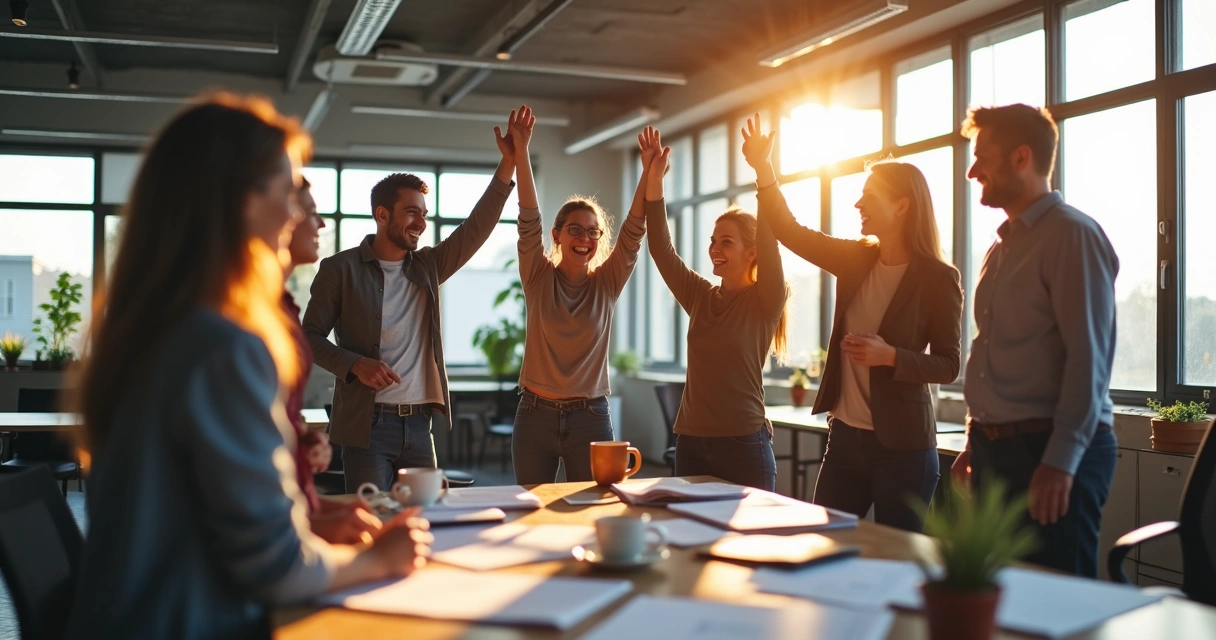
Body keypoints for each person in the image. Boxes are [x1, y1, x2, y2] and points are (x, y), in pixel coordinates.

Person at [68, 94, 431, 640]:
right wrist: (380, 559)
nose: (295, 213)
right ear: (240, 200)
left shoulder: (151, 329)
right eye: (286, 192)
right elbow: (278, 569)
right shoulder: (223, 346)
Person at [743, 114, 963, 532]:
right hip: (845, 439)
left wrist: (890, 356)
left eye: (869, 196)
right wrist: (763, 170)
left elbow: (950, 365)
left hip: (903, 449)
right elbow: (789, 230)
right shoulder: (856, 258)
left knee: (897, 560)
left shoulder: (938, 278)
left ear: (902, 206)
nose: (858, 204)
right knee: (824, 543)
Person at [303, 109, 518, 492]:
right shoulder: (339, 269)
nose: (420, 222)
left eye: (424, 214)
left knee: (428, 522)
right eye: (411, 213)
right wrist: (355, 365)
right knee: (373, 523)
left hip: (420, 426)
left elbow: (476, 228)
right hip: (367, 428)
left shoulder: (429, 266)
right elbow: (309, 338)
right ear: (382, 215)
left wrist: (508, 164)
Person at [953, 104, 1119, 577]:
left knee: (1055, 602)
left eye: (983, 157)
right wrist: (975, 438)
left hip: (1049, 449)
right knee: (1001, 594)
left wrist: (1061, 462)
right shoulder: (1001, 247)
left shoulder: (1072, 236)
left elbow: (1088, 359)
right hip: (996, 449)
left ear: (1021, 157)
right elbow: (992, 353)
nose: (972, 171)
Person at [642, 126, 789, 491]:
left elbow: (772, 244)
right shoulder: (701, 296)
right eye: (712, 241)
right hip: (690, 442)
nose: (714, 249)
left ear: (751, 253)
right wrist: (653, 179)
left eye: (726, 242)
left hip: (743, 444)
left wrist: (762, 170)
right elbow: (661, 249)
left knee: (748, 545)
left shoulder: (766, 299)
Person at [509, 107, 647, 484]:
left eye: (592, 232)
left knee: (593, 508)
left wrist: (649, 173)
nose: (584, 239)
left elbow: (633, 234)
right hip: (534, 415)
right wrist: (521, 154)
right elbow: (527, 219)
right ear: (557, 235)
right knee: (532, 512)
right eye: (575, 230)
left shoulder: (607, 282)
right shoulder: (538, 277)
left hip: (591, 417)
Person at [284, 178, 385, 544]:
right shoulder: (240, 318)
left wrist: (295, 440)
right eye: (309, 212)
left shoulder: (280, 307)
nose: (323, 224)